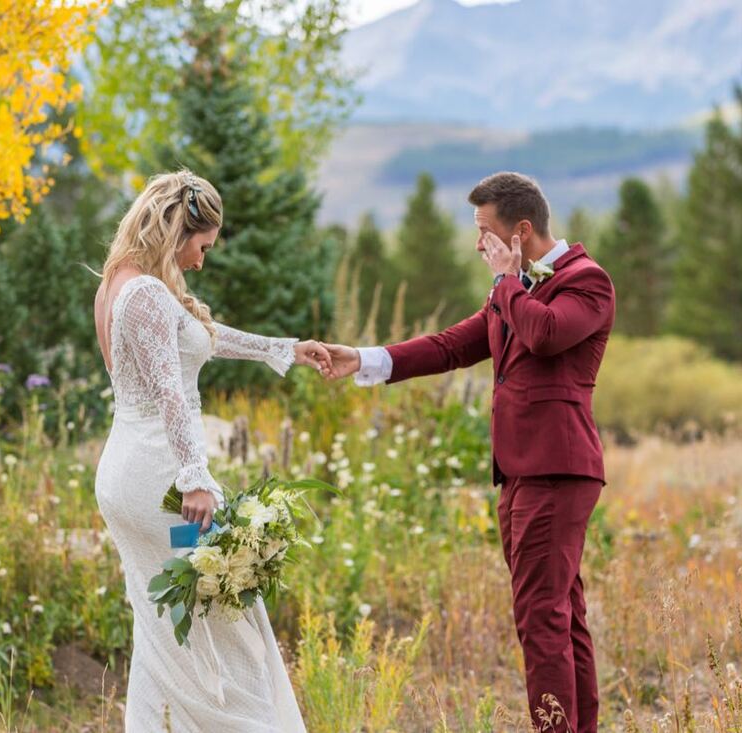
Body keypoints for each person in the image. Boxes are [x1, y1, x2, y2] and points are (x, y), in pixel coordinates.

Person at [323, 172, 615, 733]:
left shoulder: (586, 281)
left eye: (484, 232)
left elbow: (546, 335)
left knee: (540, 616)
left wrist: (508, 283)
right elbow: (452, 346)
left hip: (557, 469)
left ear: (520, 231)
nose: (477, 243)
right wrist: (361, 358)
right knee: (559, 614)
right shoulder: (516, 289)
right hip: (520, 474)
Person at [92, 170, 329, 732]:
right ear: (176, 229)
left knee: (164, 628)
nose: (201, 261)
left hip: (131, 471)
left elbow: (203, 336)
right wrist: (194, 477)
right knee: (227, 619)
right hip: (163, 481)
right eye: (201, 246)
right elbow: (171, 390)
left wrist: (286, 350)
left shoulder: (121, 283)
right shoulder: (147, 293)